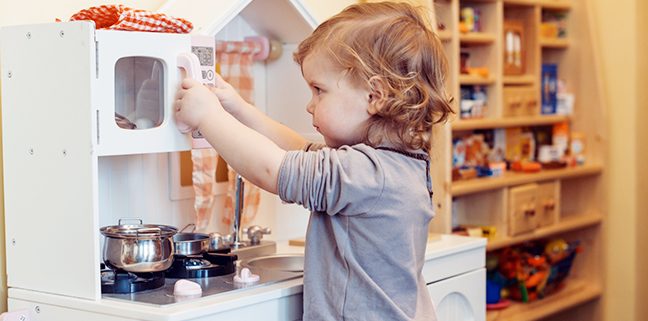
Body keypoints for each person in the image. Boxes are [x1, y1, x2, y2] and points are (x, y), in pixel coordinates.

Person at [175, 2, 453, 320]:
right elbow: (300, 150)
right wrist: (237, 107)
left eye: (319, 90)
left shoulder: (367, 174)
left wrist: (207, 115)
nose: (310, 105)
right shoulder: (396, 166)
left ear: (375, 96)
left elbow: (272, 168)